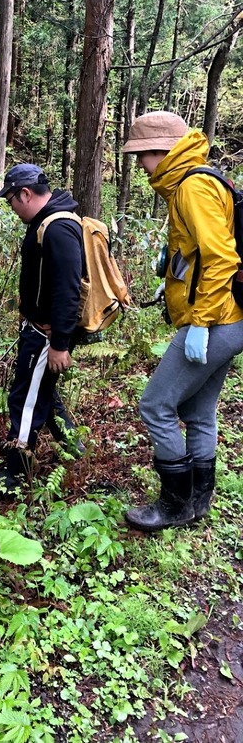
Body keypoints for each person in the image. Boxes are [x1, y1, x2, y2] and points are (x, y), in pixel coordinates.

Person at [122, 111, 243, 531]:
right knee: (199, 411)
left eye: (142, 155)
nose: (139, 164)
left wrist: (201, 322)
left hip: (217, 321)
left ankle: (174, 505)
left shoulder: (192, 186)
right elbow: (198, 251)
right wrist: (171, 272)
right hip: (230, 318)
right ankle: (197, 501)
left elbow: (222, 257)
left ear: (162, 151)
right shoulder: (193, 181)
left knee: (155, 404)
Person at [0, 163, 84, 494]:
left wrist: (60, 343)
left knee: (25, 398)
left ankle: (14, 472)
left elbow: (69, 290)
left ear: (26, 193)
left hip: (48, 334)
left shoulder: (57, 228)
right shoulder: (44, 222)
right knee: (42, 390)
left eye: (11, 200)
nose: (11, 207)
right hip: (40, 329)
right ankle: (74, 446)